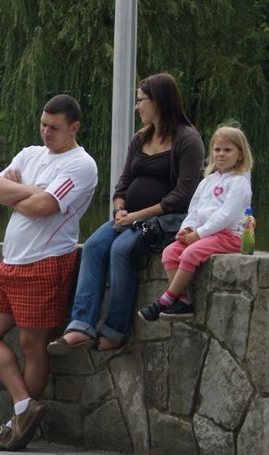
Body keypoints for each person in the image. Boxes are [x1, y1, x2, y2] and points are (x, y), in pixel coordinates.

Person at [0, 95, 98, 452]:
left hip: (46, 261)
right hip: (10, 261)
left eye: (54, 128)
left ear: (74, 127)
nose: (46, 132)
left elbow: (44, 207)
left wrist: (22, 193)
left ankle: (18, 425)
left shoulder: (81, 165)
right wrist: (31, 191)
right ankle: (25, 406)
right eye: (43, 124)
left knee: (32, 345)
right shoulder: (29, 154)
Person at [48, 73, 204, 354]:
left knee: (121, 249)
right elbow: (123, 183)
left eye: (141, 100)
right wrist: (120, 208)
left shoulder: (187, 139)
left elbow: (182, 195)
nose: (137, 106)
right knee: (95, 246)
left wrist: (136, 216)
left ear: (158, 101)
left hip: (164, 221)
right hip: (129, 217)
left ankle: (115, 330)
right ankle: (80, 326)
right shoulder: (140, 138)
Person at [139, 126, 253, 321]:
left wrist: (199, 234)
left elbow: (225, 215)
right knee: (170, 252)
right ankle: (182, 301)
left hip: (229, 236)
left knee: (190, 253)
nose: (221, 154)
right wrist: (187, 228)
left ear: (240, 154)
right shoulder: (207, 181)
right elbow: (194, 209)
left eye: (228, 150)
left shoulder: (239, 182)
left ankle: (166, 300)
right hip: (204, 234)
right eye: (217, 150)